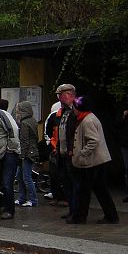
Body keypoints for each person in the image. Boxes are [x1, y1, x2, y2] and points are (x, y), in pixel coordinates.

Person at [71, 95, 119, 224]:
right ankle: (111, 216)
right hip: (97, 160)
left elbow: (93, 140)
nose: (73, 110)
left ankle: (80, 217)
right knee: (100, 189)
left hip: (93, 162)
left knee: (85, 190)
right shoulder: (88, 118)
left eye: (74, 107)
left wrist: (82, 153)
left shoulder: (87, 120)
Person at [51, 83, 79, 221]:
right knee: (66, 183)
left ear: (70, 95)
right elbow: (58, 132)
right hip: (62, 154)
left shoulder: (76, 111)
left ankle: (76, 211)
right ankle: (72, 210)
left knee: (74, 184)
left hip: (71, 154)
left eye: (61, 94)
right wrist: (57, 147)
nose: (59, 98)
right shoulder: (61, 113)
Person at [14, 101, 39, 207]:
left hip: (27, 153)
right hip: (32, 151)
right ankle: (22, 198)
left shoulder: (24, 123)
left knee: (26, 177)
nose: (17, 112)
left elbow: (24, 141)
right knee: (20, 176)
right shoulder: (32, 120)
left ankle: (33, 199)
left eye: (18, 110)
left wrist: (22, 155)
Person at [43, 101, 65, 203]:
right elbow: (47, 133)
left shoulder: (68, 115)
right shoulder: (53, 117)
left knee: (63, 174)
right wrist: (53, 146)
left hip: (63, 150)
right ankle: (57, 196)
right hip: (55, 149)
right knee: (54, 174)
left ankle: (64, 197)